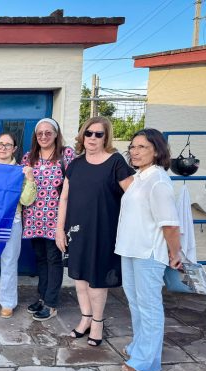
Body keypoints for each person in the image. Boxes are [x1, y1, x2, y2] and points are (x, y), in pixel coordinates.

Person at [56, 116, 133, 346]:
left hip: (104, 232)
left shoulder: (116, 162)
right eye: (88, 133)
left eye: (98, 134)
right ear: (82, 135)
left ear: (106, 137)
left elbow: (133, 198)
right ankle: (85, 318)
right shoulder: (75, 164)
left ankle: (98, 322)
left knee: (96, 280)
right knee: (79, 278)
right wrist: (60, 230)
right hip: (77, 231)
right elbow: (64, 198)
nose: (92, 138)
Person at [115, 128, 182, 371]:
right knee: (135, 303)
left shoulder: (158, 181)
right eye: (133, 146)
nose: (135, 151)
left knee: (149, 306)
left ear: (157, 150)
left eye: (142, 147)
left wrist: (175, 254)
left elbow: (171, 224)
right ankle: (139, 346)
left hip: (148, 253)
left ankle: (147, 361)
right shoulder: (140, 178)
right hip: (130, 249)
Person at [22, 118, 75, 321]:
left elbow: (75, 184)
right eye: (40, 133)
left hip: (56, 219)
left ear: (56, 134)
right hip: (34, 219)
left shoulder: (66, 154)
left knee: (54, 260)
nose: (44, 136)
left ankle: (51, 303)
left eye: (48, 132)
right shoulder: (29, 157)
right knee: (41, 259)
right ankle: (42, 297)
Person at [0, 133, 36, 318]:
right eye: (0, 144)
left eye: (8, 145)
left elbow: (26, 200)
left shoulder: (19, 172)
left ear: (14, 149)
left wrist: (30, 180)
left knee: (9, 262)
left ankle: (7, 302)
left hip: (12, 222)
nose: (3, 147)